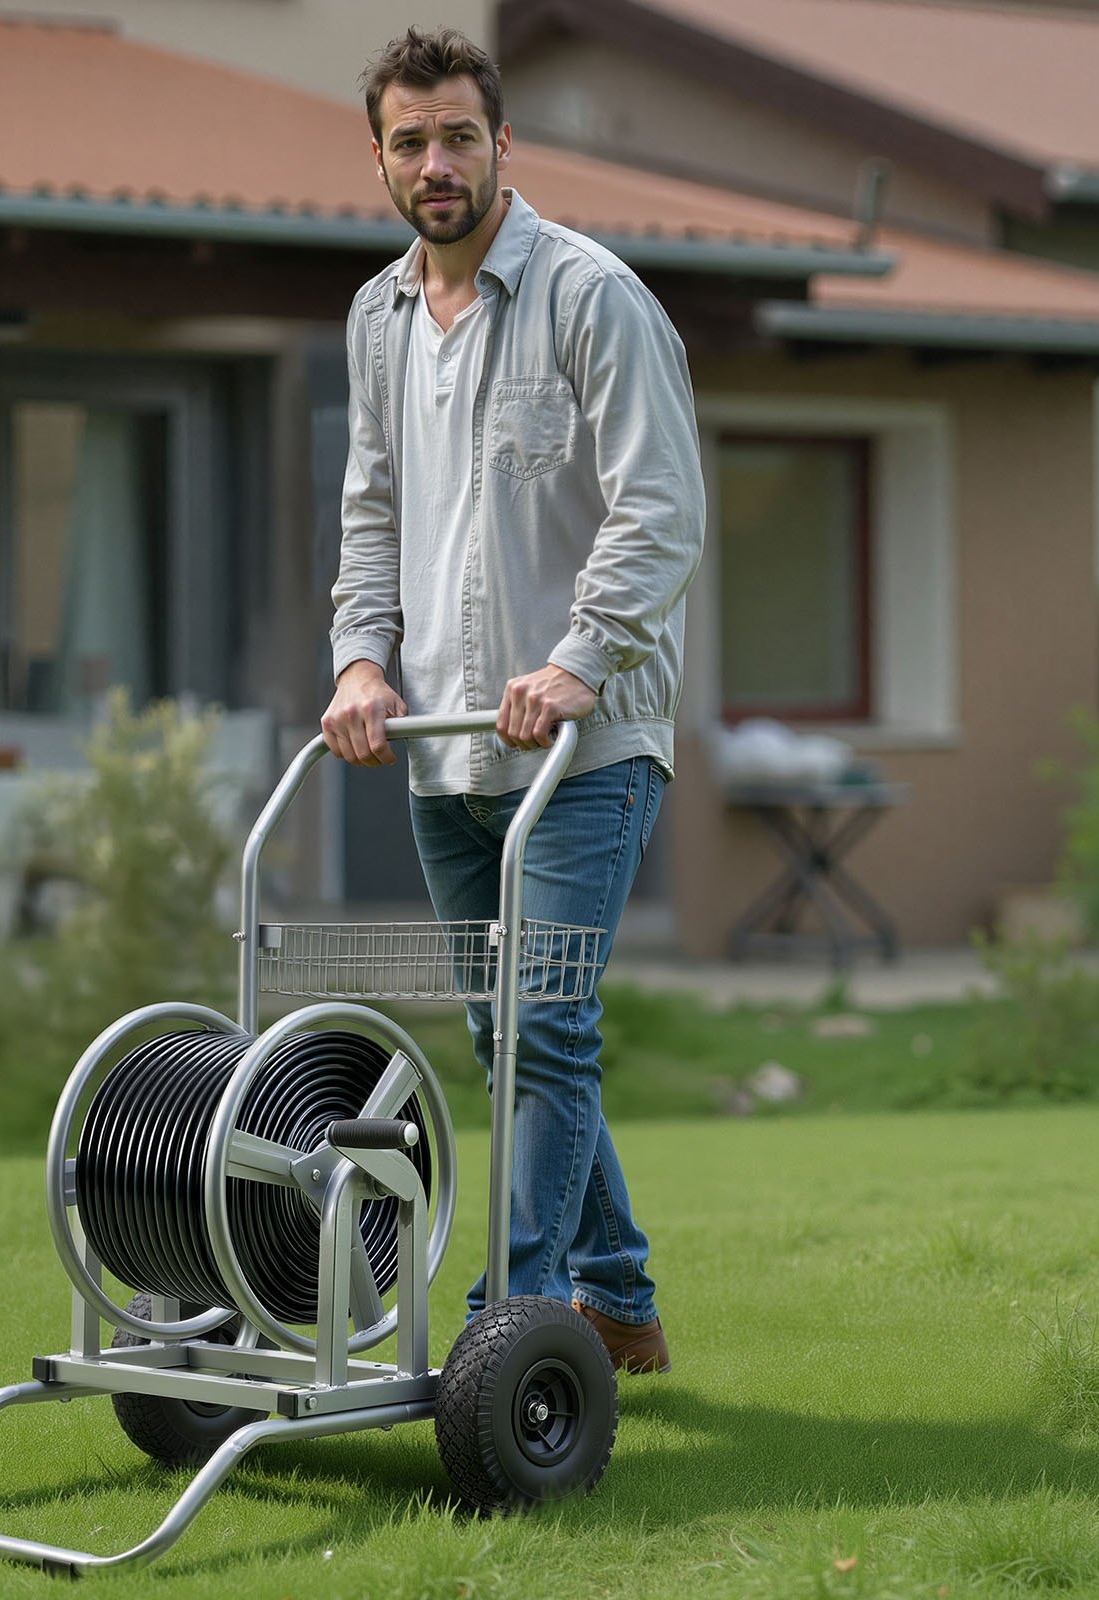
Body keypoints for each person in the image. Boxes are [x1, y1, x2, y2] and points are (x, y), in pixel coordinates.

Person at [322, 28, 705, 1374]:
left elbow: (661, 511)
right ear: (378, 155)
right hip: (443, 745)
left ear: (501, 146)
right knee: (507, 1033)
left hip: (587, 742)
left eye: (459, 137)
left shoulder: (592, 299)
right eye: (410, 140)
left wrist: (581, 658)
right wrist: (360, 661)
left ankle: (516, 1326)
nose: (437, 163)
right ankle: (619, 1298)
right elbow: (371, 513)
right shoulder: (375, 319)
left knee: (547, 1024)